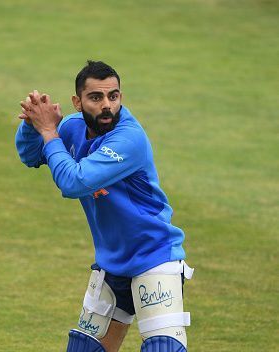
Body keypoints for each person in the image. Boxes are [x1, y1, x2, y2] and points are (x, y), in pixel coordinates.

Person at [16, 61, 193, 352]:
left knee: (162, 348)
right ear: (78, 102)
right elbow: (30, 155)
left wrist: (49, 131)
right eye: (96, 98)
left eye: (114, 95)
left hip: (154, 256)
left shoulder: (129, 139)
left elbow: (74, 182)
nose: (107, 105)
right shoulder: (74, 128)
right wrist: (33, 124)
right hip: (113, 262)